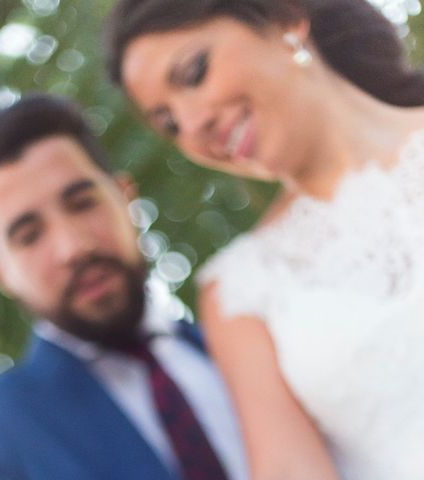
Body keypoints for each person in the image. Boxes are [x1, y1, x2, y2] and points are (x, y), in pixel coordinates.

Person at [104, 1, 424, 479]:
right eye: (168, 123)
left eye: (194, 73)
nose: (192, 126)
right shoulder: (239, 290)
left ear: (282, 21)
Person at [0, 93, 247, 480]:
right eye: (29, 235)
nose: (73, 247)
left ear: (127, 199)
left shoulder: (245, 349)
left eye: (82, 204)